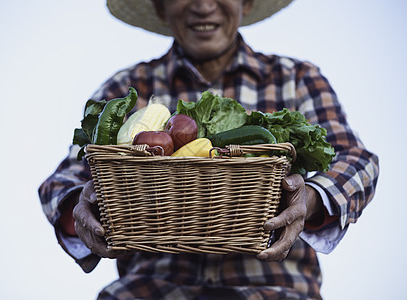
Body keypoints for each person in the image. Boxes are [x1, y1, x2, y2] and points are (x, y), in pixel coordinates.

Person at [39, 0, 379, 299]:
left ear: (245, 3)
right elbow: (65, 178)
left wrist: (311, 199)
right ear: (161, 7)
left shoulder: (295, 78)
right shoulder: (127, 87)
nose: (204, 5)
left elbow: (356, 161)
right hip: (149, 289)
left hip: (276, 289)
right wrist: (79, 208)